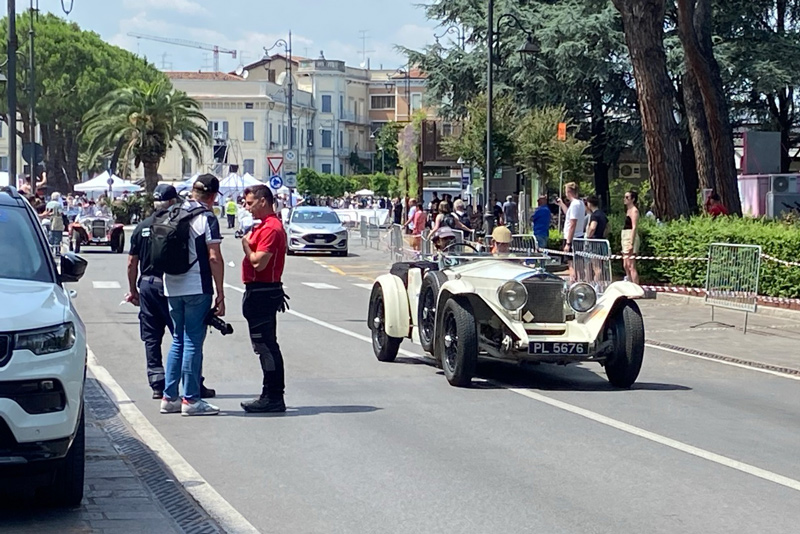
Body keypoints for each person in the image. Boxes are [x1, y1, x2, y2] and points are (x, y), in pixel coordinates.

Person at [127, 185, 217, 401]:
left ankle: (161, 387)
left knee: (153, 337)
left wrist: (133, 290)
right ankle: (192, 390)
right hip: (172, 283)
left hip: (148, 285)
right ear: (172, 201)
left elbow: (132, 262)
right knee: (188, 338)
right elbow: (210, 255)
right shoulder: (180, 222)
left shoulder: (143, 226)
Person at [160, 174, 226, 417]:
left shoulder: (173, 212)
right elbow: (214, 257)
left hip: (171, 285)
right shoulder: (206, 218)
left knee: (177, 339)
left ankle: (169, 397)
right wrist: (220, 292)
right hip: (196, 285)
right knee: (192, 341)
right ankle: (191, 399)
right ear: (212, 196)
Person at [239, 185, 290, 413]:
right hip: (259, 290)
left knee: (266, 346)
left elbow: (260, 262)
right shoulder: (265, 226)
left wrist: (246, 248)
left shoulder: (270, 228)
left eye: (250, 203)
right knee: (263, 345)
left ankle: (273, 395)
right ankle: (269, 393)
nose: (246, 207)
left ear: (263, 201)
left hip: (263, 290)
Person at [557, 182, 585, 281]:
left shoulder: (575, 205)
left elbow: (572, 224)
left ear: (569, 192)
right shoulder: (580, 203)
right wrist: (561, 205)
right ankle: (578, 282)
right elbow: (569, 215)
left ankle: (574, 283)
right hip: (579, 236)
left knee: (572, 264)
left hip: (572, 237)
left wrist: (568, 243)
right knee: (578, 263)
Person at [622, 190, 640, 285]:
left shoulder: (634, 210)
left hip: (630, 237)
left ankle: (636, 287)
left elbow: (634, 227)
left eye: (627, 197)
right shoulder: (627, 210)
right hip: (625, 236)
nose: (625, 199)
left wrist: (631, 243)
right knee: (625, 264)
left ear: (633, 199)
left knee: (631, 265)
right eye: (625, 197)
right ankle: (629, 284)